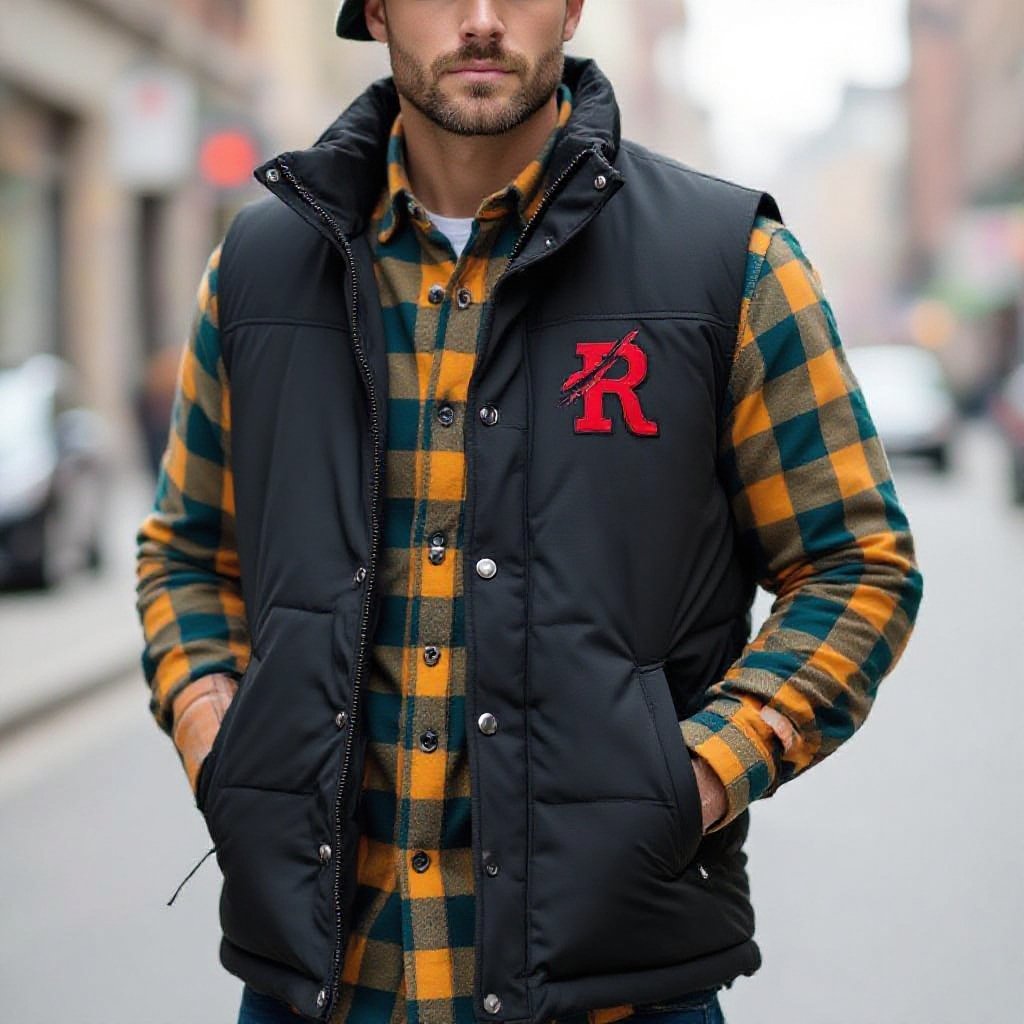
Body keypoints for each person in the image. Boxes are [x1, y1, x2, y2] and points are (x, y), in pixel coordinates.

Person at [134, 2, 924, 1023]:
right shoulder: (258, 268)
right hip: (320, 987)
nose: (478, 20)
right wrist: (214, 736)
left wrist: (697, 778)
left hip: (616, 989)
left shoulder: (727, 263)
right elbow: (188, 554)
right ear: (373, 8)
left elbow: (856, 566)